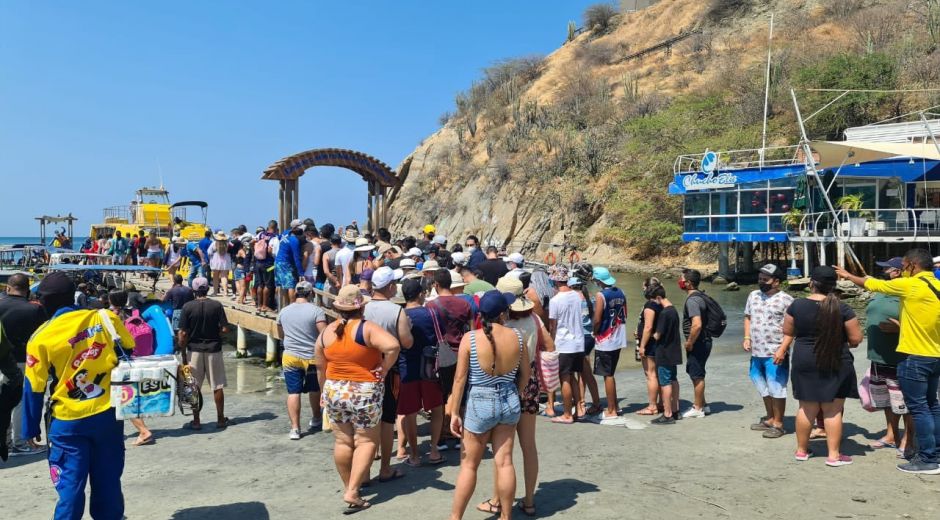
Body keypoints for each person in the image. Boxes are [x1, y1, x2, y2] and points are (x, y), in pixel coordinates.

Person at [22, 272, 135, 519]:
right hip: (108, 414)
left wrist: (30, 429)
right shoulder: (105, 318)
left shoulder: (41, 337)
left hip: (67, 422)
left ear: (44, 302)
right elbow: (128, 347)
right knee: (108, 484)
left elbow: (34, 387)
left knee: (70, 488)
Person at [836, 249, 940, 474]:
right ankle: (936, 454)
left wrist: (847, 275)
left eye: (903, 266)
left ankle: (928, 459)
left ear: (912, 265)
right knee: (932, 406)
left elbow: (873, 284)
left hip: (914, 356)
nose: (902, 270)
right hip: (935, 356)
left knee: (919, 409)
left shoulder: (911, 284)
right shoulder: (937, 285)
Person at [315, 285, 401, 514]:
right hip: (363, 389)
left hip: (334, 389)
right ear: (361, 307)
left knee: (343, 441)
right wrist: (383, 369)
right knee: (366, 441)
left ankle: (351, 485)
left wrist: (324, 392)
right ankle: (353, 490)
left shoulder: (327, 332)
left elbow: (320, 367)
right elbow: (393, 346)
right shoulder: (366, 328)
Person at [449, 290, 530, 520]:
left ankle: (455, 517)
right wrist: (518, 393)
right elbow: (525, 374)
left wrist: (454, 412)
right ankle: (506, 516)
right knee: (505, 462)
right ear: (503, 313)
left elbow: (460, 379)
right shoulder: (518, 336)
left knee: (469, 465)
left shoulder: (471, 338)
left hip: (480, 402)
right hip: (509, 398)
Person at [776, 266, 862, 466]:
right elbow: (856, 339)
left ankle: (801, 451)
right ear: (834, 285)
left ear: (811, 284)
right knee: (833, 410)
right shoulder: (842, 308)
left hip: (805, 358)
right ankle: (833, 456)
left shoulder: (797, 305)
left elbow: (788, 331)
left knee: (806, 408)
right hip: (836, 359)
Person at [483, 276, 552, 516]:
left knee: (502, 449)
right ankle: (530, 500)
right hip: (531, 381)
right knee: (529, 445)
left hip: (507, 382)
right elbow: (549, 345)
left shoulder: (505, 329)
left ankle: (497, 500)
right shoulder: (533, 319)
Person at [856, 257, 912, 455]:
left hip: (900, 357)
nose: (883, 271)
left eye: (886, 268)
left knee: (904, 401)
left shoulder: (906, 293)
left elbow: (920, 324)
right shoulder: (882, 290)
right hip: (878, 357)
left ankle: (908, 438)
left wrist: (900, 329)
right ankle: (891, 434)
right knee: (887, 400)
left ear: (897, 272)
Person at [364, 266, 413, 483]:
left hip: (364, 368)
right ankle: (385, 467)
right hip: (389, 368)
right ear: (391, 286)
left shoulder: (362, 308)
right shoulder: (396, 311)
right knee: (386, 419)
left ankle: (363, 471)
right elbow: (406, 342)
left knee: (365, 421)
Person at [398, 278, 446, 466]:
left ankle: (414, 455)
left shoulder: (399, 315)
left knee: (409, 412)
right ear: (420, 294)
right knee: (436, 409)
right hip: (430, 367)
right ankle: (434, 450)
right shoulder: (432, 313)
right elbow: (441, 336)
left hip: (406, 368)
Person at [743, 264, 794, 439]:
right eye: (760, 279)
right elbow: (748, 317)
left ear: (776, 281)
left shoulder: (787, 300)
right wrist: (746, 337)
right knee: (761, 385)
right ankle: (770, 417)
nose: (761, 282)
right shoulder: (753, 296)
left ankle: (779, 424)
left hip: (775, 352)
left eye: (765, 280)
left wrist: (783, 349)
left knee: (776, 387)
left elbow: (792, 329)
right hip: (756, 351)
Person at [0, 273, 47, 456]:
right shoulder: (35, 310)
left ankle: (6, 441)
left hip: (2, 358)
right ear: (28, 290)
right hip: (23, 360)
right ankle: (20, 442)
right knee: (19, 402)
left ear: (8, 288)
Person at [426, 268, 473, 450]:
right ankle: (460, 434)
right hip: (462, 351)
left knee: (444, 394)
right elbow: (469, 330)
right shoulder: (464, 305)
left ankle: (444, 435)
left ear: (436, 285)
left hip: (442, 354)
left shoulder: (431, 306)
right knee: (460, 392)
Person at [177, 277, 230, 430]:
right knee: (217, 386)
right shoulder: (217, 305)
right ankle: (220, 419)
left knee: (193, 386)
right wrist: (216, 334)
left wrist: (182, 350)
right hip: (214, 349)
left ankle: (196, 421)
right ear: (207, 289)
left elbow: (182, 333)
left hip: (194, 350)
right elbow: (225, 329)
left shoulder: (187, 307)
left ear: (193, 290)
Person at [277, 281, 327, 440]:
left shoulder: (283, 311)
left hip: (290, 356)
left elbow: (280, 334)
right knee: (314, 389)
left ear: (296, 294)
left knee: (293, 392)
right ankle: (316, 418)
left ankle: (295, 429)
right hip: (311, 357)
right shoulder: (316, 311)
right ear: (310, 294)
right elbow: (324, 335)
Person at [107, 290, 154, 447]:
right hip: (136, 359)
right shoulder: (133, 312)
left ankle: (144, 431)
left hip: (121, 362)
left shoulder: (114, 317)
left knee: (123, 399)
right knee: (127, 397)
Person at [547, 265, 584, 424]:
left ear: (555, 280)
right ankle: (579, 408)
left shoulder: (555, 300)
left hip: (564, 343)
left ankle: (568, 414)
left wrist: (550, 344)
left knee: (565, 379)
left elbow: (552, 326)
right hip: (578, 342)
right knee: (573, 376)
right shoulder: (577, 295)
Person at [591, 267, 627, 424]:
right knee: (611, 371)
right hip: (618, 337)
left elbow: (597, 319)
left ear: (599, 281)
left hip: (606, 340)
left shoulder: (601, 295)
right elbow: (624, 313)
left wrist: (594, 332)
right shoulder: (621, 292)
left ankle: (611, 410)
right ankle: (615, 406)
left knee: (608, 375)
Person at [679, 268, 712, 418]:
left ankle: (698, 408)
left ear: (689, 283)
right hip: (705, 340)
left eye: (682, 279)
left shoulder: (692, 300)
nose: (680, 281)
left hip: (698, 342)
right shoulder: (700, 296)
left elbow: (697, 324)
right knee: (696, 372)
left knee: (697, 374)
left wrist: (690, 342)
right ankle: (703, 404)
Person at [567, 277, 600, 418]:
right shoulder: (590, 298)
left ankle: (583, 401)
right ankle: (583, 400)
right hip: (590, 337)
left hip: (579, 338)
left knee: (581, 371)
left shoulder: (572, 300)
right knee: (584, 372)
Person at [651, 282, 682, 424]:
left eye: (653, 300)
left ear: (658, 298)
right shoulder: (674, 310)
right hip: (674, 350)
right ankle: (675, 410)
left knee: (665, 383)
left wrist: (649, 335)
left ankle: (668, 413)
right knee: (673, 379)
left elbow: (658, 335)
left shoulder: (664, 313)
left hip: (663, 352)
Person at [636, 277, 663, 416]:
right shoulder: (660, 303)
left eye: (644, 287)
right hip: (657, 343)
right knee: (656, 374)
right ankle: (659, 403)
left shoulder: (650, 305)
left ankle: (652, 406)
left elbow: (648, 327)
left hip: (650, 343)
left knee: (650, 374)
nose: (643, 290)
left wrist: (642, 346)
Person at [274, 226, 306, 308]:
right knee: (291, 285)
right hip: (286, 264)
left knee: (280, 284)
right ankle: (292, 306)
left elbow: (278, 237)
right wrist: (301, 273)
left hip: (277, 262)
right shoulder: (294, 241)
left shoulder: (285, 233)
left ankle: (281, 305)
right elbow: (297, 258)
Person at [254, 221, 278, 312]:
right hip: (268, 264)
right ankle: (265, 305)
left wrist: (257, 252)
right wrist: (272, 256)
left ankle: (259, 305)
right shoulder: (273, 237)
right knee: (268, 285)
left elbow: (253, 241)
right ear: (276, 228)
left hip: (258, 262)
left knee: (260, 284)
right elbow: (270, 250)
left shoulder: (260, 234)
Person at [207, 231, 233, 297]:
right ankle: (225, 292)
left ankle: (215, 292)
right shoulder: (228, 243)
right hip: (225, 262)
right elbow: (232, 250)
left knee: (215, 278)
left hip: (215, 261)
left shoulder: (214, 243)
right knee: (224, 277)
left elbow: (209, 252)